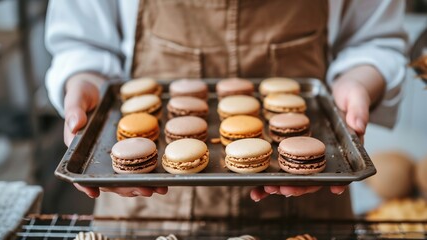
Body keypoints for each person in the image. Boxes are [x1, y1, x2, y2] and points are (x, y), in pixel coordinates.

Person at [45, 0, 406, 219]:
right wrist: (83, 81)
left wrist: (359, 81)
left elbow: (375, 39)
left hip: (308, 210)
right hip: (147, 209)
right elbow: (83, 41)